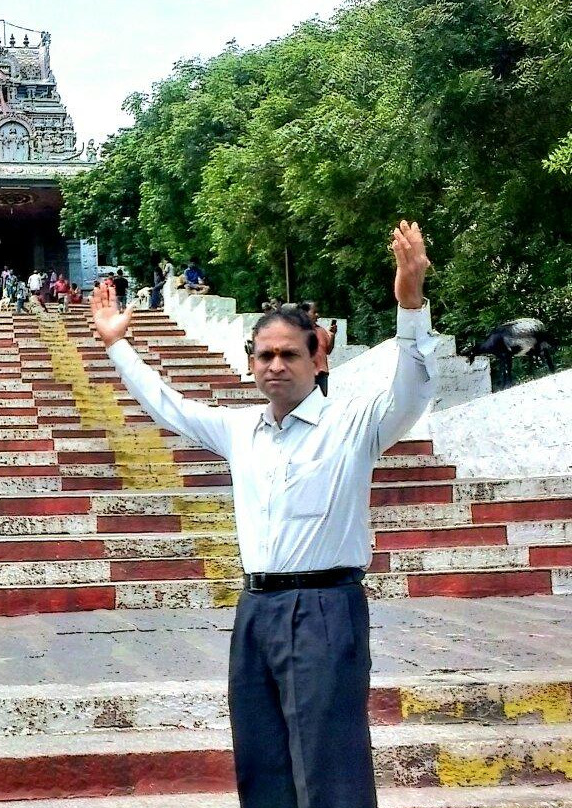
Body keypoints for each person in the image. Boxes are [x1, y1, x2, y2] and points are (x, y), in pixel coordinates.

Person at [90, 221, 436, 808]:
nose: (276, 365)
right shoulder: (239, 430)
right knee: (262, 762)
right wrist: (116, 344)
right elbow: (168, 406)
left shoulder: (353, 426)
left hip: (327, 607)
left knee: (331, 768)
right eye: (265, 355)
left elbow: (413, 389)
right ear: (251, 363)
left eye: (289, 354)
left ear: (317, 358)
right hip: (256, 609)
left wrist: (409, 304)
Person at [299, 301, 337, 396]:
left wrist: (332, 335)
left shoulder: (321, 331)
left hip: (322, 375)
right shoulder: (298, 331)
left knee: (321, 403)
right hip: (306, 374)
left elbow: (328, 350)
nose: (317, 315)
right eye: (314, 312)